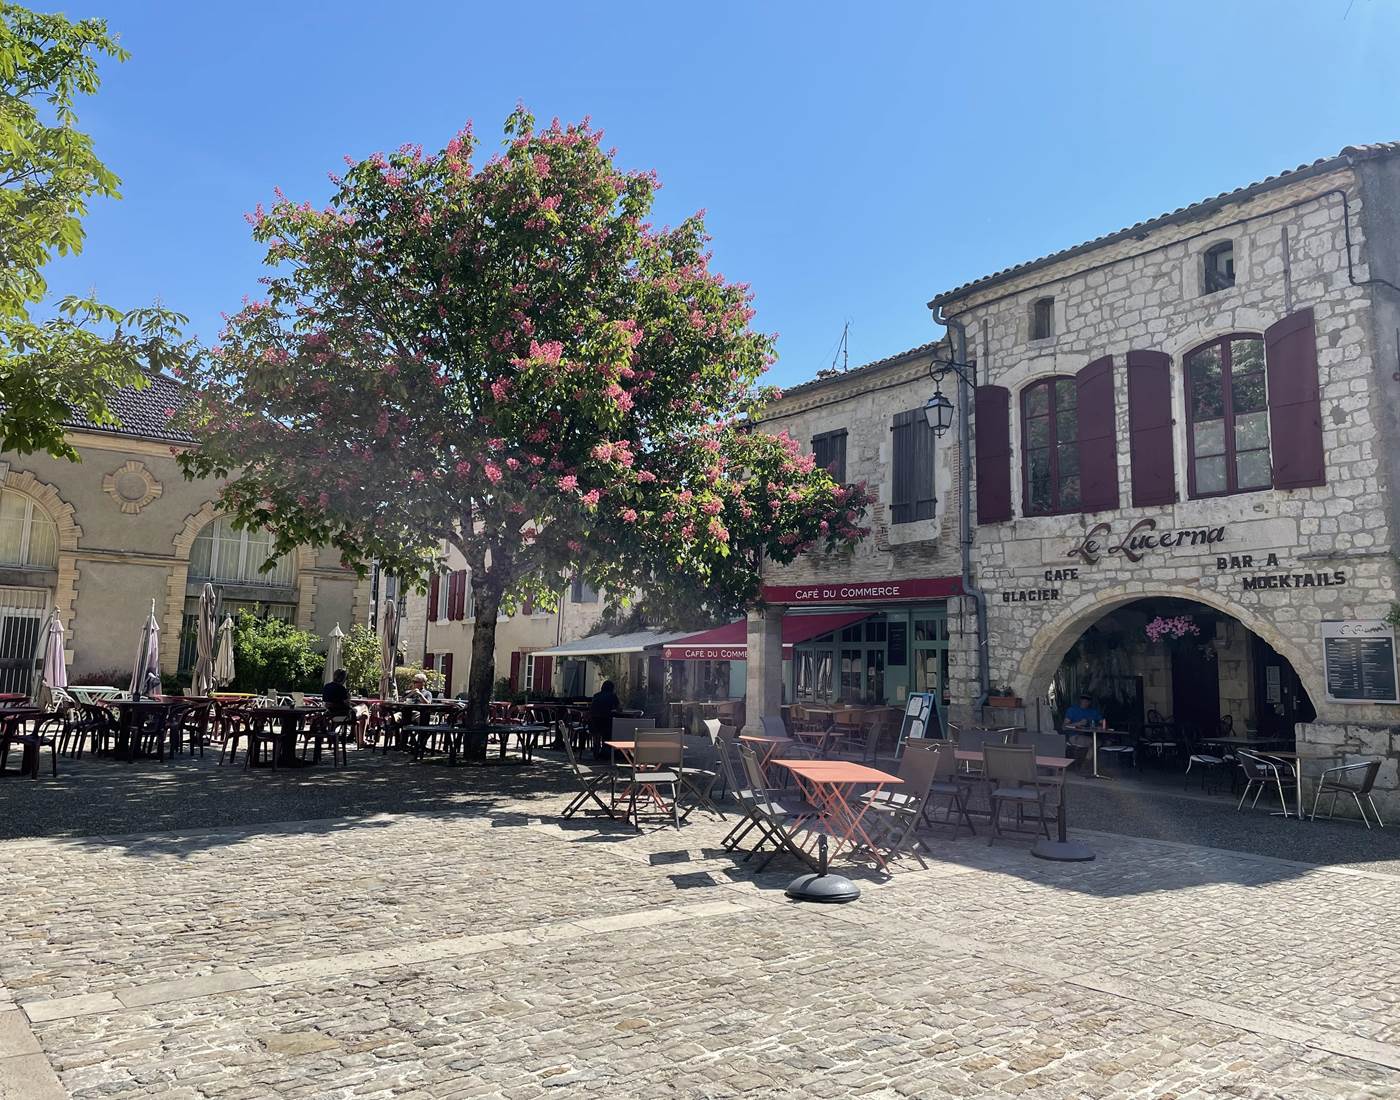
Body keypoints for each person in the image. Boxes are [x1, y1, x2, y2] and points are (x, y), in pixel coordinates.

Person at [588, 679, 620, 759]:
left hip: (593, 724)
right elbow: (618, 709)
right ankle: (607, 751)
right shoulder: (612, 696)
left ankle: (598, 751)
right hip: (606, 724)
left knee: (601, 730)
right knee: (613, 728)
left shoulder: (596, 695)